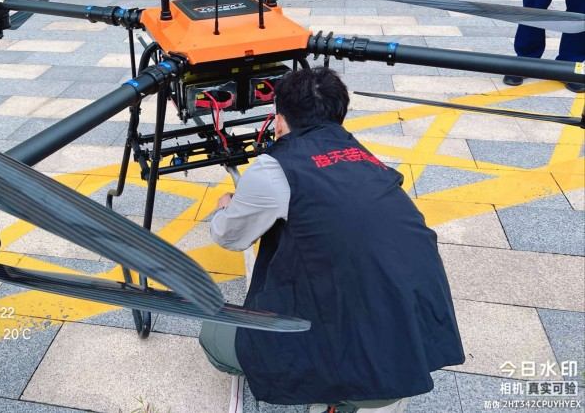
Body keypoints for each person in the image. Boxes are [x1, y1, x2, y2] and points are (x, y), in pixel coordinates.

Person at [199, 68, 465, 413]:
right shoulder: (363, 156)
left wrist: (225, 208)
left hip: (358, 360)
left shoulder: (274, 168)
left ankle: (340, 393)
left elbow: (229, 237)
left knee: (214, 333)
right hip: (412, 345)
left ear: (278, 121)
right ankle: (349, 395)